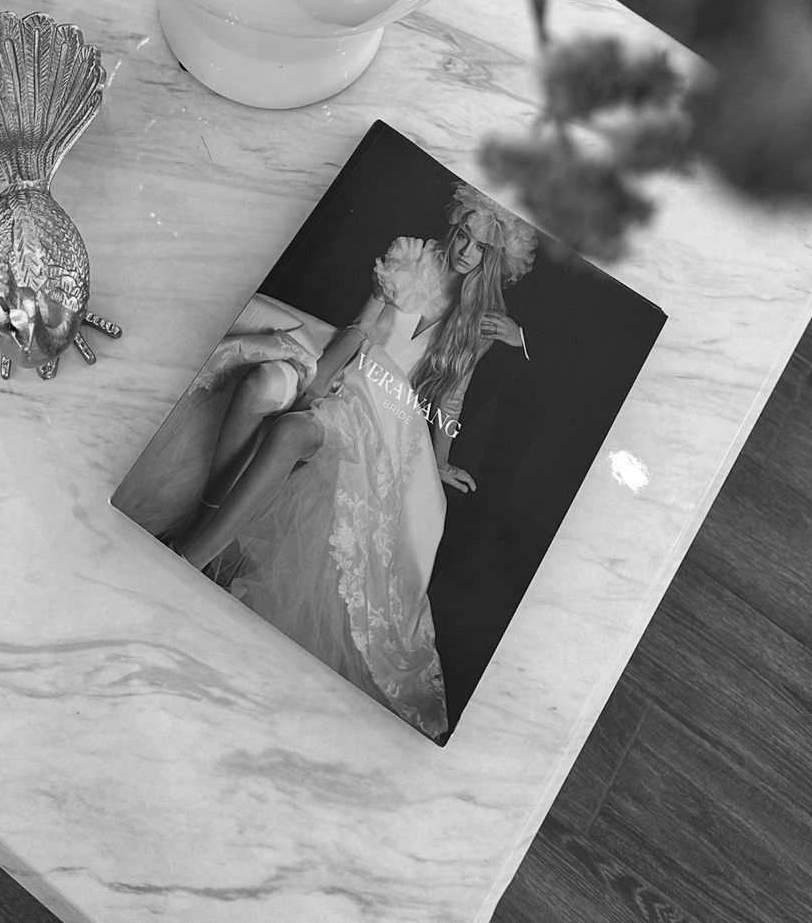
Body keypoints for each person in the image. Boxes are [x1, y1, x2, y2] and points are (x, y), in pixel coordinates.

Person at [173, 183, 538, 740]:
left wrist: (441, 460)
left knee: (297, 434)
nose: (465, 250)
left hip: (394, 414)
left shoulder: (480, 317)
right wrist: (323, 377)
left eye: (480, 247)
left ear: (497, 259)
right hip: (354, 372)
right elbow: (362, 328)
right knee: (286, 412)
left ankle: (196, 554)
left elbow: (452, 398)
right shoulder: (412, 257)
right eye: (462, 234)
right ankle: (198, 550)